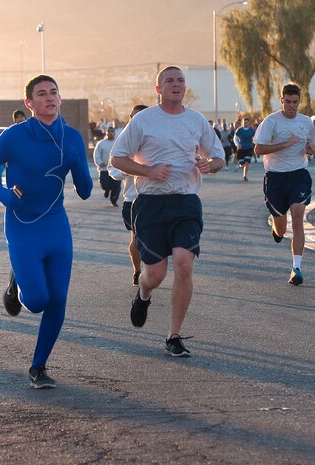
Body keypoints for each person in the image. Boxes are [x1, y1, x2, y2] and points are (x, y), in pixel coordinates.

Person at [0, 74, 93, 388]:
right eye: (41, 94)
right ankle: (16, 283)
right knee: (38, 300)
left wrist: (79, 162)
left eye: (54, 92)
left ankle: (38, 366)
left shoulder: (71, 137)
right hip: (22, 225)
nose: (49, 98)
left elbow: (85, 191)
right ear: (29, 103)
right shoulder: (15, 136)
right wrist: (1, 195)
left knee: (57, 300)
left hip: (56, 225)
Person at [110, 66, 225, 357]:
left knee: (184, 265)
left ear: (185, 87)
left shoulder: (196, 120)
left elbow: (219, 156)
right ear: (158, 89)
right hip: (150, 203)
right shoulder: (143, 120)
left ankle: (173, 336)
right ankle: (144, 293)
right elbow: (118, 157)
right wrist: (148, 170)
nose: (176, 84)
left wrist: (210, 164)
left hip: (186, 201)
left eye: (180, 81)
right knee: (156, 275)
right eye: (169, 81)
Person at [253, 82, 315, 286]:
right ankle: (277, 229)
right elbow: (258, 150)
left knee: (298, 220)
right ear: (282, 100)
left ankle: (296, 268)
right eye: (287, 102)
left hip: (299, 174)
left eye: (295, 102)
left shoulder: (306, 122)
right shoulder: (271, 122)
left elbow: (311, 146)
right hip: (275, 178)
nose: (291, 105)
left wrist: (309, 149)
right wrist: (285, 144)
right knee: (281, 228)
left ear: (299, 101)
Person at [108, 104, 147, 286]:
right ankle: (138, 271)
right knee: (136, 237)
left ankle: (152, 270)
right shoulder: (123, 141)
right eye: (132, 117)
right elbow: (112, 167)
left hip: (157, 198)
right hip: (132, 199)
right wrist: (124, 171)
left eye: (139, 117)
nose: (134, 121)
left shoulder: (156, 139)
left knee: (154, 239)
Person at [93, 126, 121, 206]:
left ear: (115, 133)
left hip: (116, 169)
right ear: (106, 132)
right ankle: (107, 190)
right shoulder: (101, 144)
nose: (111, 132)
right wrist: (100, 163)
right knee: (105, 184)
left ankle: (114, 200)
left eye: (112, 131)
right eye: (109, 131)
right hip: (104, 169)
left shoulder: (118, 143)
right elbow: (96, 154)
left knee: (116, 187)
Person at [234, 117, 256, 181]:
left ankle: (245, 176)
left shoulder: (252, 130)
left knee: (247, 162)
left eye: (246, 122)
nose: (245, 123)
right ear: (242, 123)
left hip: (249, 148)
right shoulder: (239, 130)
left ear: (249, 123)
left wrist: (255, 142)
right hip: (241, 149)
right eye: (244, 122)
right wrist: (237, 144)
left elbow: (255, 138)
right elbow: (235, 138)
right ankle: (241, 165)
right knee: (242, 164)